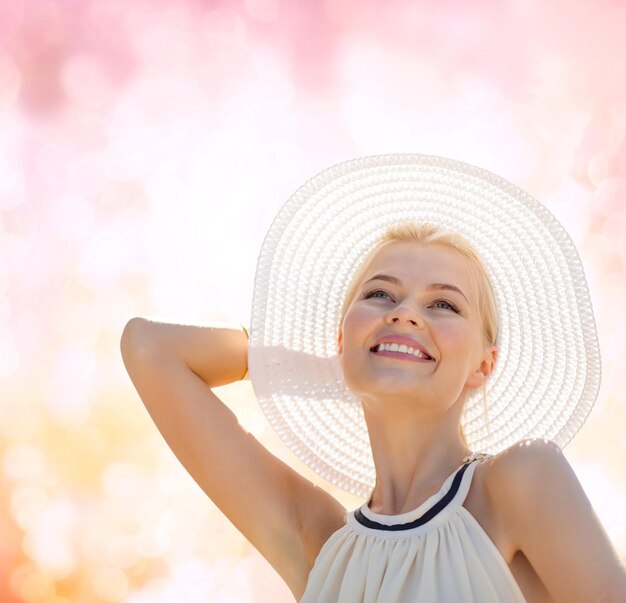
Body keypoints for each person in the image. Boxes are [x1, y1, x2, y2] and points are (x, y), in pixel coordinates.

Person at [120, 154, 626, 602]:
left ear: (483, 365)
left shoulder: (520, 481)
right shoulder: (319, 544)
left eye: (443, 304)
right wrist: (324, 362)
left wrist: (381, 351)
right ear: (340, 338)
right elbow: (149, 347)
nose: (405, 313)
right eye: (381, 295)